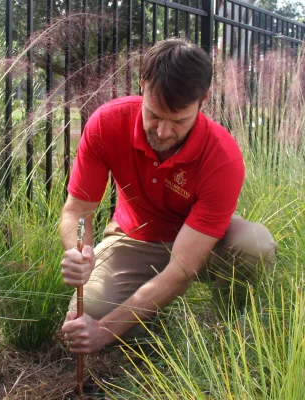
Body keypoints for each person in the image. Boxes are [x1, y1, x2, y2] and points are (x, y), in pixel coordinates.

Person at [58, 38, 278, 355]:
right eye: (154, 115)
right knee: (90, 311)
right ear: (143, 85)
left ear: (203, 100)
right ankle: (153, 321)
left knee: (253, 245)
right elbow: (76, 210)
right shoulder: (107, 123)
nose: (162, 132)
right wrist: (80, 249)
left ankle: (227, 327)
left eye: (178, 121)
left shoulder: (222, 156)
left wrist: (104, 333)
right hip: (134, 238)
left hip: (202, 243)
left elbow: (182, 269)